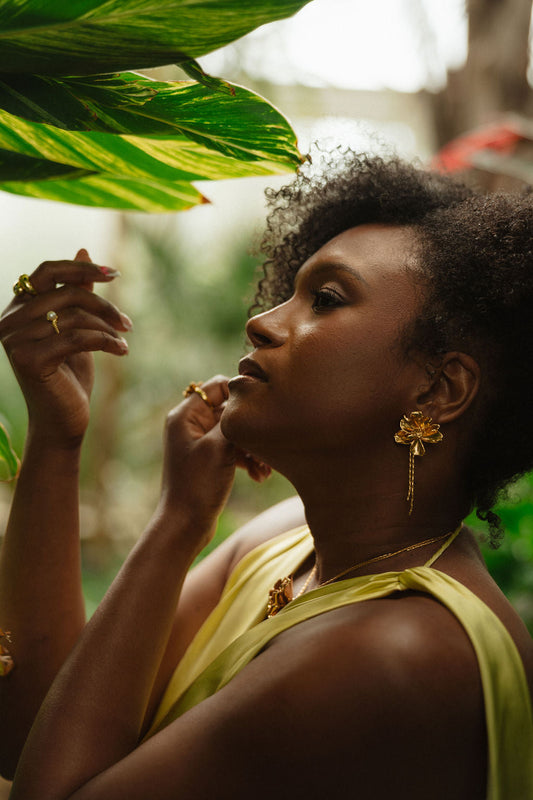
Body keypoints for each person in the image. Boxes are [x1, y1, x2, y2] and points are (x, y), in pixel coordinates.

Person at [1, 150, 532, 799]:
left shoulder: (396, 650)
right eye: (289, 291)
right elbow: (38, 731)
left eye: (326, 299)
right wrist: (59, 441)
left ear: (439, 389)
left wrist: (177, 524)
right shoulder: (284, 543)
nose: (261, 321)